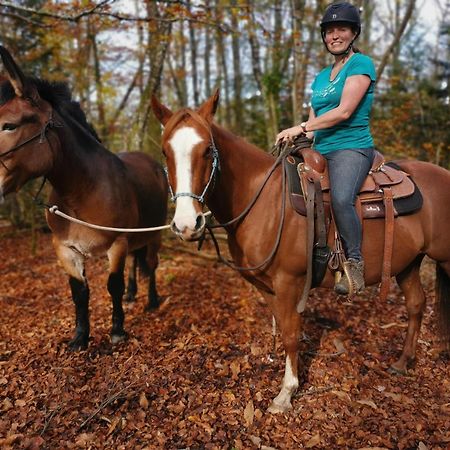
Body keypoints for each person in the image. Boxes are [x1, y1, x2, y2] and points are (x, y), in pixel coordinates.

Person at [276, 1, 376, 296]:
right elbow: (314, 118)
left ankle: (355, 264)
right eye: (330, 30)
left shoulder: (362, 64)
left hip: (351, 147)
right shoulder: (321, 76)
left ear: (353, 33)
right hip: (321, 147)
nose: (335, 35)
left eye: (341, 29)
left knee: (343, 198)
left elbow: (344, 111)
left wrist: (302, 128)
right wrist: (300, 139)